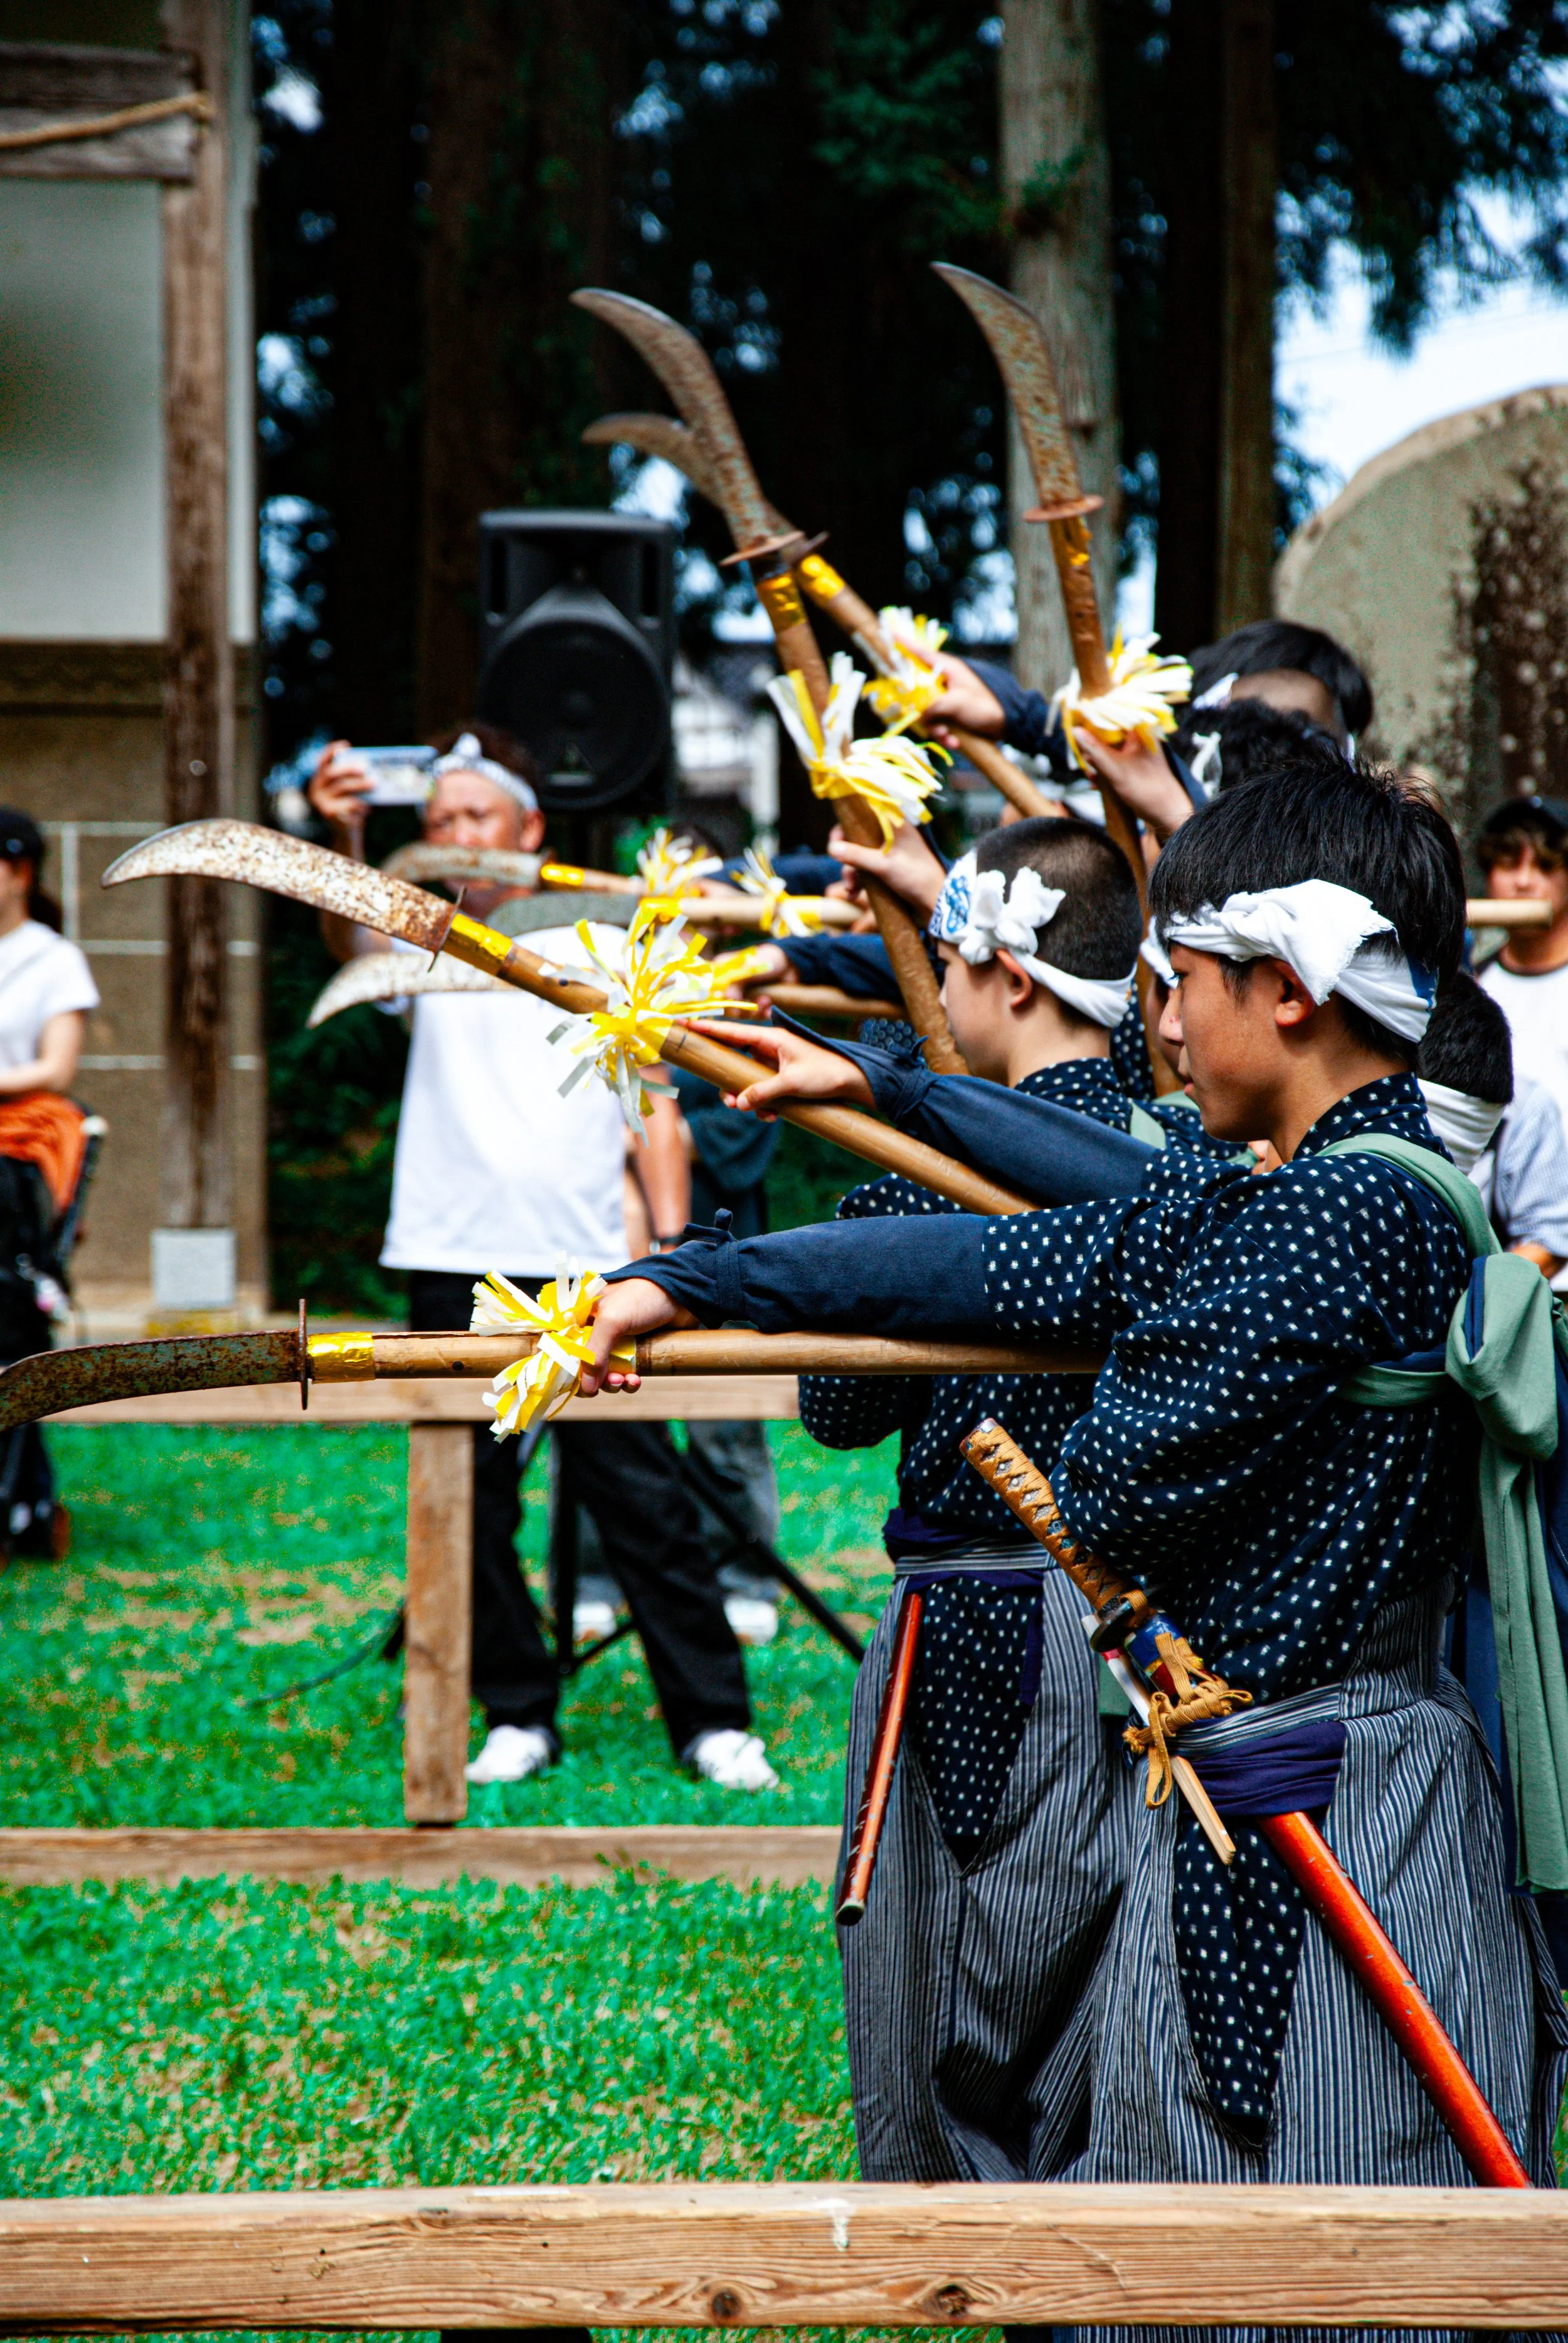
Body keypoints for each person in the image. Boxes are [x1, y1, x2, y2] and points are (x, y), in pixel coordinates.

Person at [585, 760, 1566, 2228]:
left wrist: (1108, 1305)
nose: (1154, 1022)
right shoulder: (1326, 1184)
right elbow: (1003, 1258)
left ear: (1286, 990)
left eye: (1184, 980)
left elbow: (1101, 1489)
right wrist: (702, 1277)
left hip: (1330, 1809)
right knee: (1200, 2211)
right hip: (1280, 1789)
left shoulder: (1329, 1215)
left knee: (1318, 2240)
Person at [791, 814, 1158, 2183]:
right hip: (1146, 1641)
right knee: (1101, 1967)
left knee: (939, 1983)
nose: (934, 986)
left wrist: (871, 1220)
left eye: (948, 959)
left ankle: (962, 2252)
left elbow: (834, 1408)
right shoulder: (1175, 1150)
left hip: (971, 1620)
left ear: (1007, 969)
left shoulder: (924, 1179)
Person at [306, 728, 775, 1793]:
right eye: (439, 821)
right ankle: (518, 1709)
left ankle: (713, 1719)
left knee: (641, 1493)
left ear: (529, 829)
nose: (457, 836)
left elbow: (656, 1102)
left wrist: (670, 1251)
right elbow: (348, 942)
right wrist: (345, 835)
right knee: (466, 1502)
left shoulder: (599, 941)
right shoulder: (423, 937)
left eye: (476, 816)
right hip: (448, 1253)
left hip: (583, 1261)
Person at [0, 810, 98, 1558]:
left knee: (10, 1332)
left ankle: (20, 1502)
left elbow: (56, 1069)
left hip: (15, 1148)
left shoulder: (52, 958)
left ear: (21, 872)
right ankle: (30, 1502)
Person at [1475, 796, 1568, 1286]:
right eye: (1509, 863)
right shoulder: (1472, 988)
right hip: (1510, 1266)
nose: (1524, 882)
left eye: (1545, 866)